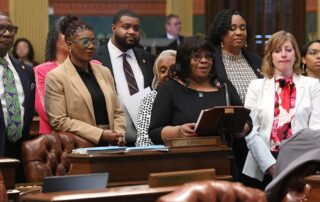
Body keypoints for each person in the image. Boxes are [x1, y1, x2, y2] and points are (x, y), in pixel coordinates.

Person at [243, 31, 320, 189]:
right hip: (263, 163)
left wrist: (297, 164)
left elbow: (316, 129)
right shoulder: (256, 86)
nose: (283, 55)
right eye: (277, 51)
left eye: (288, 50)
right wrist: (271, 166)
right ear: (270, 56)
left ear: (296, 55)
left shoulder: (313, 85)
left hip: (301, 162)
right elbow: (250, 131)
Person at [45, 15, 126, 146]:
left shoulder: (104, 72)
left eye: (94, 42)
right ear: (69, 44)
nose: (91, 46)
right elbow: (59, 120)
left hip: (113, 144)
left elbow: (118, 112)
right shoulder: (56, 77)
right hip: (80, 147)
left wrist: (119, 133)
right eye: (85, 42)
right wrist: (100, 134)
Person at [148, 35, 243, 145]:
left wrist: (238, 128)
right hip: (184, 157)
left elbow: (246, 123)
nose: (204, 61)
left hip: (222, 156)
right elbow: (154, 133)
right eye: (197, 57)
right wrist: (178, 131)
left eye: (208, 56)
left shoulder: (223, 85)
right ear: (185, 60)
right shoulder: (170, 88)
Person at [207, 8, 263, 186]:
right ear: (221, 32)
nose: (239, 32)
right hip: (231, 138)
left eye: (243, 28)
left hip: (261, 135)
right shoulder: (211, 62)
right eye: (232, 28)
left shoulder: (256, 61)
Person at [94, 9, 156, 145]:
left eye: (136, 28)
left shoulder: (148, 58)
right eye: (126, 27)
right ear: (114, 28)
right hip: (110, 136)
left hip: (146, 138)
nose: (132, 32)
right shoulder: (95, 58)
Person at [0, 12, 35, 182]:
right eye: (1, 29)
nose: (7, 34)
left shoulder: (26, 71)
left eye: (10, 29)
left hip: (19, 152)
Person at [34, 16, 69, 134]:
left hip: (96, 138)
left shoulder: (96, 66)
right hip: (55, 141)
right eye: (66, 32)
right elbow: (47, 111)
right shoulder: (42, 70)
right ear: (55, 38)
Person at [135, 50, 176, 147]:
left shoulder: (189, 93)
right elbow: (143, 142)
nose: (167, 74)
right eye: (162, 71)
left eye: (173, 69)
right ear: (157, 75)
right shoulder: (149, 99)